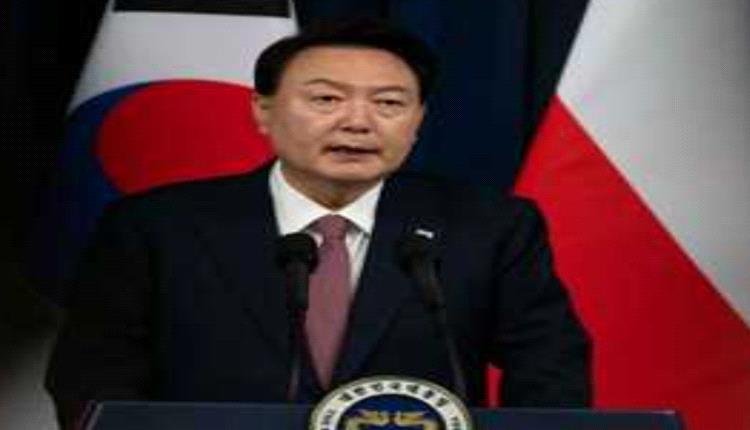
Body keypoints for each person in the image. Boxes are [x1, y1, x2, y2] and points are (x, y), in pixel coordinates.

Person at [46, 19, 591, 429]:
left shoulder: (488, 226)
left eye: (389, 103)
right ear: (263, 110)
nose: (358, 122)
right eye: (326, 99)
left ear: (418, 120)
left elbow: (550, 369)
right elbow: (92, 372)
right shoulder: (157, 227)